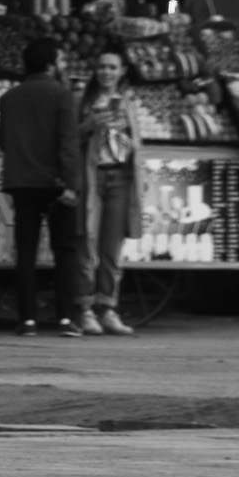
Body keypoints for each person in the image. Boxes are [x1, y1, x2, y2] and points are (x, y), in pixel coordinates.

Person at [0, 34, 85, 336]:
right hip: (56, 183)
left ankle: (28, 320)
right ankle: (65, 318)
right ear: (50, 64)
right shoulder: (63, 96)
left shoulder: (9, 98)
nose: (62, 65)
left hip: (21, 183)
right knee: (65, 251)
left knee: (25, 251)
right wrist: (72, 185)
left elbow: (3, 141)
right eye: (60, 60)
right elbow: (68, 145)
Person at [77, 48, 143, 336]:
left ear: (122, 71)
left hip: (120, 178)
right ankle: (84, 309)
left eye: (112, 67)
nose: (106, 72)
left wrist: (124, 137)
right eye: (102, 67)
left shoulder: (128, 103)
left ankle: (108, 308)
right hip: (92, 179)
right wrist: (88, 126)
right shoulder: (82, 100)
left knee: (112, 250)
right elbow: (69, 138)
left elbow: (136, 144)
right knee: (87, 246)